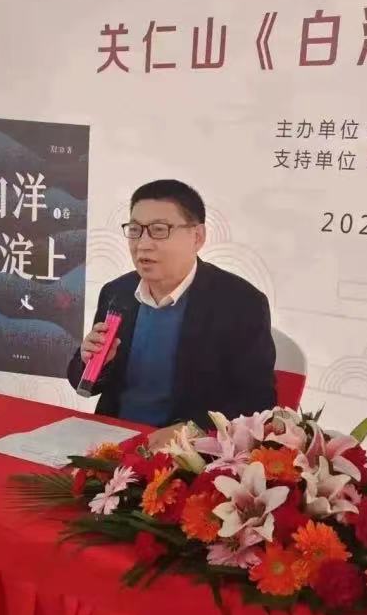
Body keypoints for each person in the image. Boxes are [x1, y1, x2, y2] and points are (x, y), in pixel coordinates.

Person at [67, 179, 276, 435]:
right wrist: (90, 361)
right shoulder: (117, 292)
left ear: (197, 237)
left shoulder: (241, 303)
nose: (143, 244)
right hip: (112, 440)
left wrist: (190, 431)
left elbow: (257, 401)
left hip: (188, 449)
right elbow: (83, 383)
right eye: (135, 230)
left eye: (159, 230)